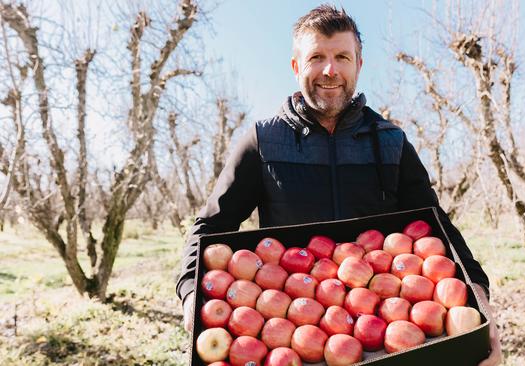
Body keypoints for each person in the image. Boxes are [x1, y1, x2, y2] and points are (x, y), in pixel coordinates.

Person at [176, 5, 501, 365]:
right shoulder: (262, 141)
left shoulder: (392, 143)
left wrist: (480, 311)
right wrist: (193, 297)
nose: (330, 70)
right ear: (297, 66)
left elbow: (437, 229)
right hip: (292, 335)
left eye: (342, 57)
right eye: (317, 57)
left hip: (381, 334)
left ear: (358, 65)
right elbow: (210, 227)